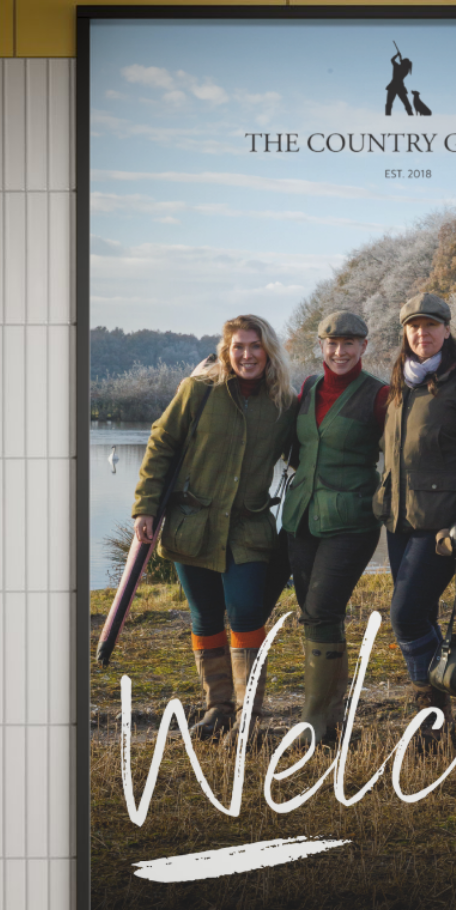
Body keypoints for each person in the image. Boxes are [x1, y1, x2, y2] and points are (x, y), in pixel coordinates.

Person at [132, 315, 299, 740]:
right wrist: (145, 509)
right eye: (238, 347)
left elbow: (304, 455)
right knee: (205, 617)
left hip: (247, 530)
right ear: (227, 351)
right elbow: (161, 444)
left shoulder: (284, 404)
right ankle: (218, 708)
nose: (247, 355)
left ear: (269, 351)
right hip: (192, 526)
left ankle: (248, 718)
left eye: (255, 346)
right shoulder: (199, 392)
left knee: (246, 613)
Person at [373, 292, 456, 735]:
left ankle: (430, 716)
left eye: (431, 325)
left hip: (444, 522)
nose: (422, 333)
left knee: (405, 615)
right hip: (399, 519)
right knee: (421, 614)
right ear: (405, 333)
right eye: (413, 327)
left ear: (447, 329)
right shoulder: (399, 381)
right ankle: (435, 724)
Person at [282, 311, 389, 744]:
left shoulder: (379, 396)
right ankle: (330, 722)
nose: (340, 352)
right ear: (321, 346)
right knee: (314, 616)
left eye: (349, 344)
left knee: (322, 609)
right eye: (332, 344)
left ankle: (314, 721)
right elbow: (294, 448)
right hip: (301, 517)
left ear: (364, 347)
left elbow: (399, 455)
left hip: (351, 521)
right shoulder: (307, 388)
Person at [385, 50, 413, 116]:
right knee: (406, 103)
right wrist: (400, 58)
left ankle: (388, 115)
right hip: (400, 87)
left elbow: (392, 60)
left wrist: (397, 55)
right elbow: (401, 64)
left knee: (389, 103)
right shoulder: (406, 70)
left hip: (393, 86)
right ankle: (410, 114)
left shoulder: (397, 67)